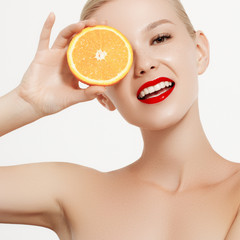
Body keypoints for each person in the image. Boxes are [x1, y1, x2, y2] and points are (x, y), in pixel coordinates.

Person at [0, 0, 240, 239]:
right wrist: (25, 102)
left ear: (199, 51)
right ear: (103, 96)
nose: (144, 65)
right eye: (119, 53)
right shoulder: (76, 193)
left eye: (160, 38)